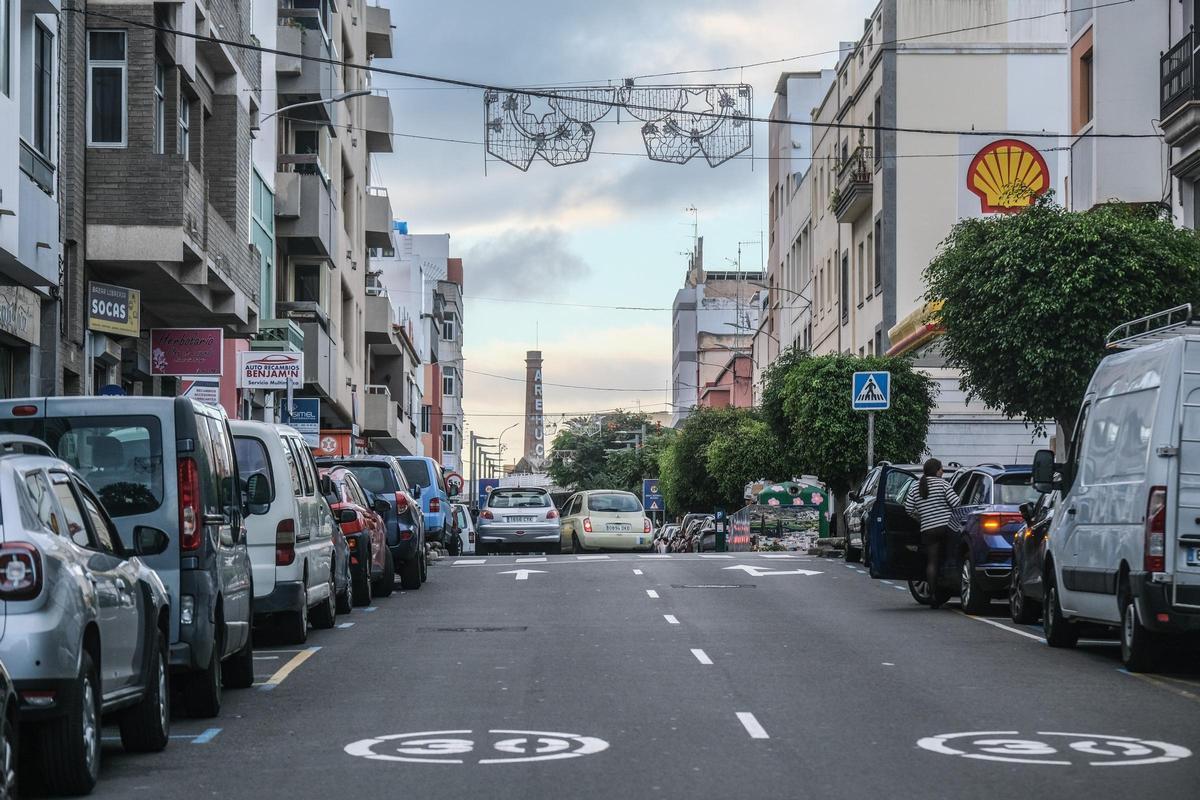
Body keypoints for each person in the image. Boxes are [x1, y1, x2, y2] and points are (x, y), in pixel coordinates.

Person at [903, 458, 960, 609]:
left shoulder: (915, 486)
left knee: (932, 562)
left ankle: (934, 596)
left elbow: (908, 508)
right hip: (947, 527)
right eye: (941, 469)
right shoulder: (943, 484)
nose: (942, 472)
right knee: (949, 557)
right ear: (936, 470)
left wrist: (921, 517)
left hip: (928, 529)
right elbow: (956, 503)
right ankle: (950, 585)